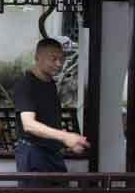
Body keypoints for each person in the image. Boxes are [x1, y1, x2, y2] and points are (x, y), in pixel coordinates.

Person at [12, 38, 90, 182]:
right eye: (53, 59)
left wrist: (67, 141)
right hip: (33, 154)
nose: (59, 64)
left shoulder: (50, 84)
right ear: (37, 58)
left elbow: (48, 121)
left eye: (62, 59)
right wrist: (65, 137)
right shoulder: (26, 85)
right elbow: (29, 125)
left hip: (52, 153)